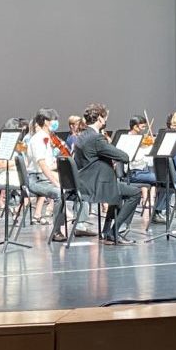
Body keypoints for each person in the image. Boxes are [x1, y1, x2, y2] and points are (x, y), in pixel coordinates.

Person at [73, 103, 139, 245]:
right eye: (105, 118)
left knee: (118, 191)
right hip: (96, 185)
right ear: (100, 119)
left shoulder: (82, 135)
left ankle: (107, 231)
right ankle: (115, 232)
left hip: (85, 181)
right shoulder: (96, 138)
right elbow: (124, 157)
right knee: (135, 193)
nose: (106, 121)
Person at [24, 109, 63, 224]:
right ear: (46, 121)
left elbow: (47, 164)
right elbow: (42, 164)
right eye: (54, 120)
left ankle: (78, 224)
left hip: (42, 178)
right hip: (36, 180)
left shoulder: (47, 137)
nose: (56, 122)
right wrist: (56, 183)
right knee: (60, 192)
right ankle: (57, 230)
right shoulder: (38, 139)